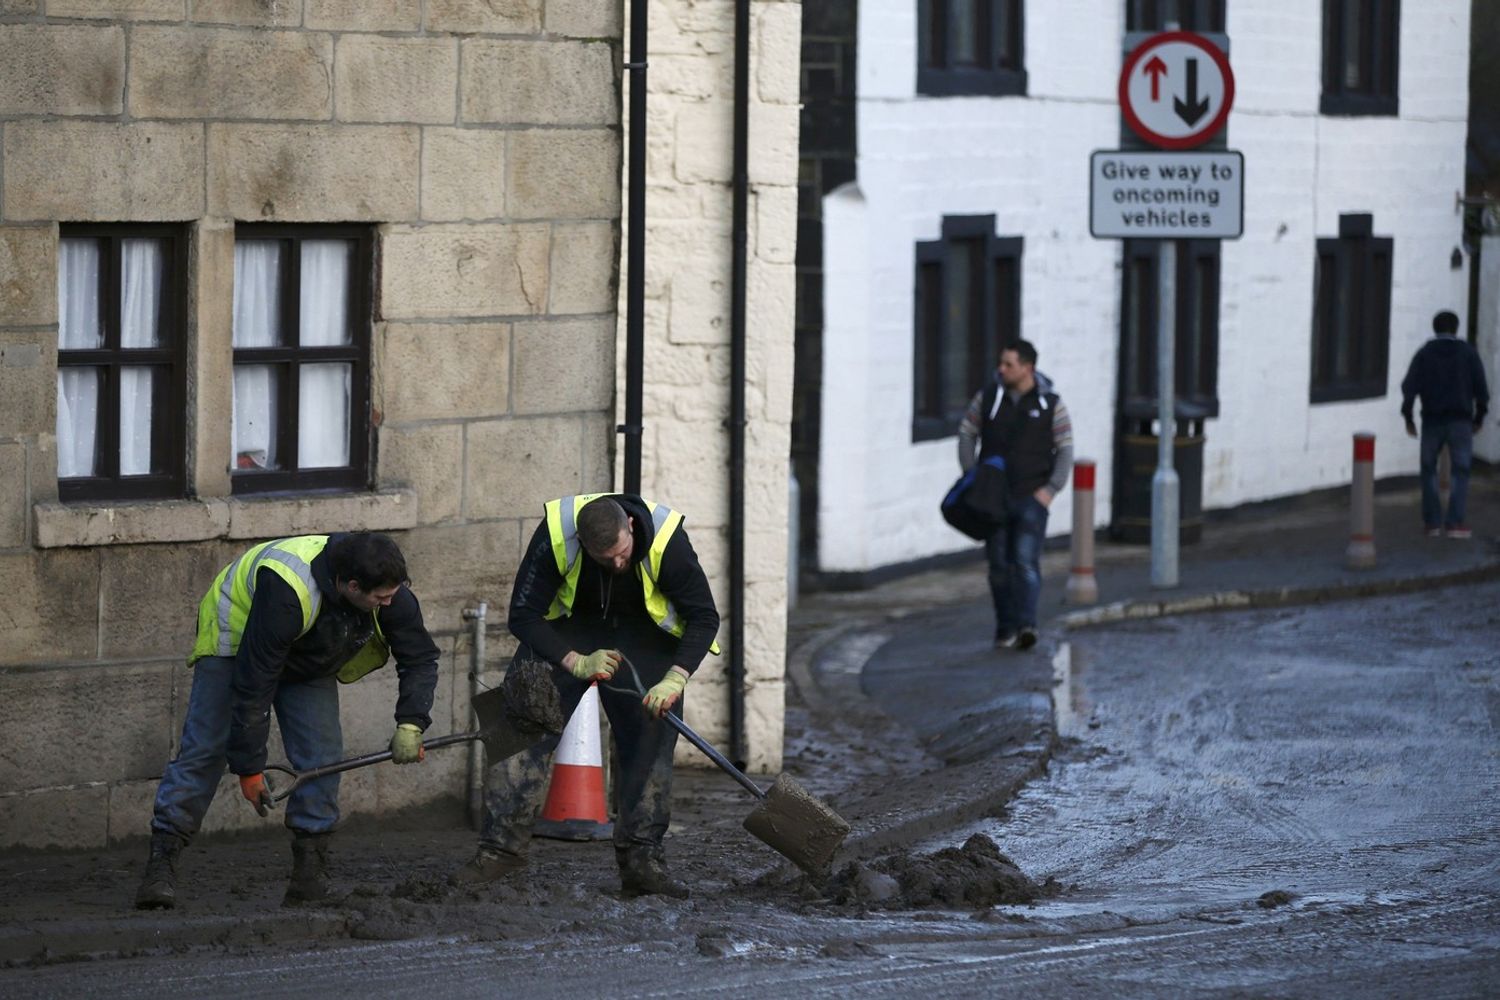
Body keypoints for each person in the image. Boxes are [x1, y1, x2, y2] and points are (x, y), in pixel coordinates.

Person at [135, 532, 440, 910]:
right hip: (239, 635)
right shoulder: (287, 588)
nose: (390, 603)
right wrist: (249, 768)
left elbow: (421, 658)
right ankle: (161, 864)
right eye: (380, 598)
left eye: (393, 594)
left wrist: (412, 722)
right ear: (351, 586)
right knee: (206, 750)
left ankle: (309, 877)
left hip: (308, 646)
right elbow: (254, 680)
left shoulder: (388, 593)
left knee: (322, 758)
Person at [453, 493, 720, 898]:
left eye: (622, 554)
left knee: (651, 739)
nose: (616, 565)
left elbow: (705, 616)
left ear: (631, 527)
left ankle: (642, 861)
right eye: (604, 558)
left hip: (645, 636)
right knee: (512, 723)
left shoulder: (669, 540)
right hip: (571, 628)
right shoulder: (557, 534)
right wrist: (575, 661)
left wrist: (675, 679)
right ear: (583, 543)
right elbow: (521, 615)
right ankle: (499, 853)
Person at [958, 340, 1073, 651]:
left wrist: (1049, 491)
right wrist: (973, 476)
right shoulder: (988, 398)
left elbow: (1065, 449)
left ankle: (1027, 625)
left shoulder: (1051, 404)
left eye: (1009, 364)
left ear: (1027, 368)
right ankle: (1005, 628)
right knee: (998, 566)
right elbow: (967, 432)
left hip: (1032, 498)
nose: (1002, 369)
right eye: (1002, 363)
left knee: (1025, 563)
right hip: (993, 499)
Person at [1401, 309, 1490, 539]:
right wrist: (1479, 417)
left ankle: (1432, 522)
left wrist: (1408, 416)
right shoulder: (1468, 353)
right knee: (1461, 471)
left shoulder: (1424, 353)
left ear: (1435, 328)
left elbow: (1409, 386)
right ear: (1456, 328)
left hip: (1432, 419)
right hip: (1460, 420)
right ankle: (1454, 522)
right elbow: (1481, 388)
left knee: (1428, 470)